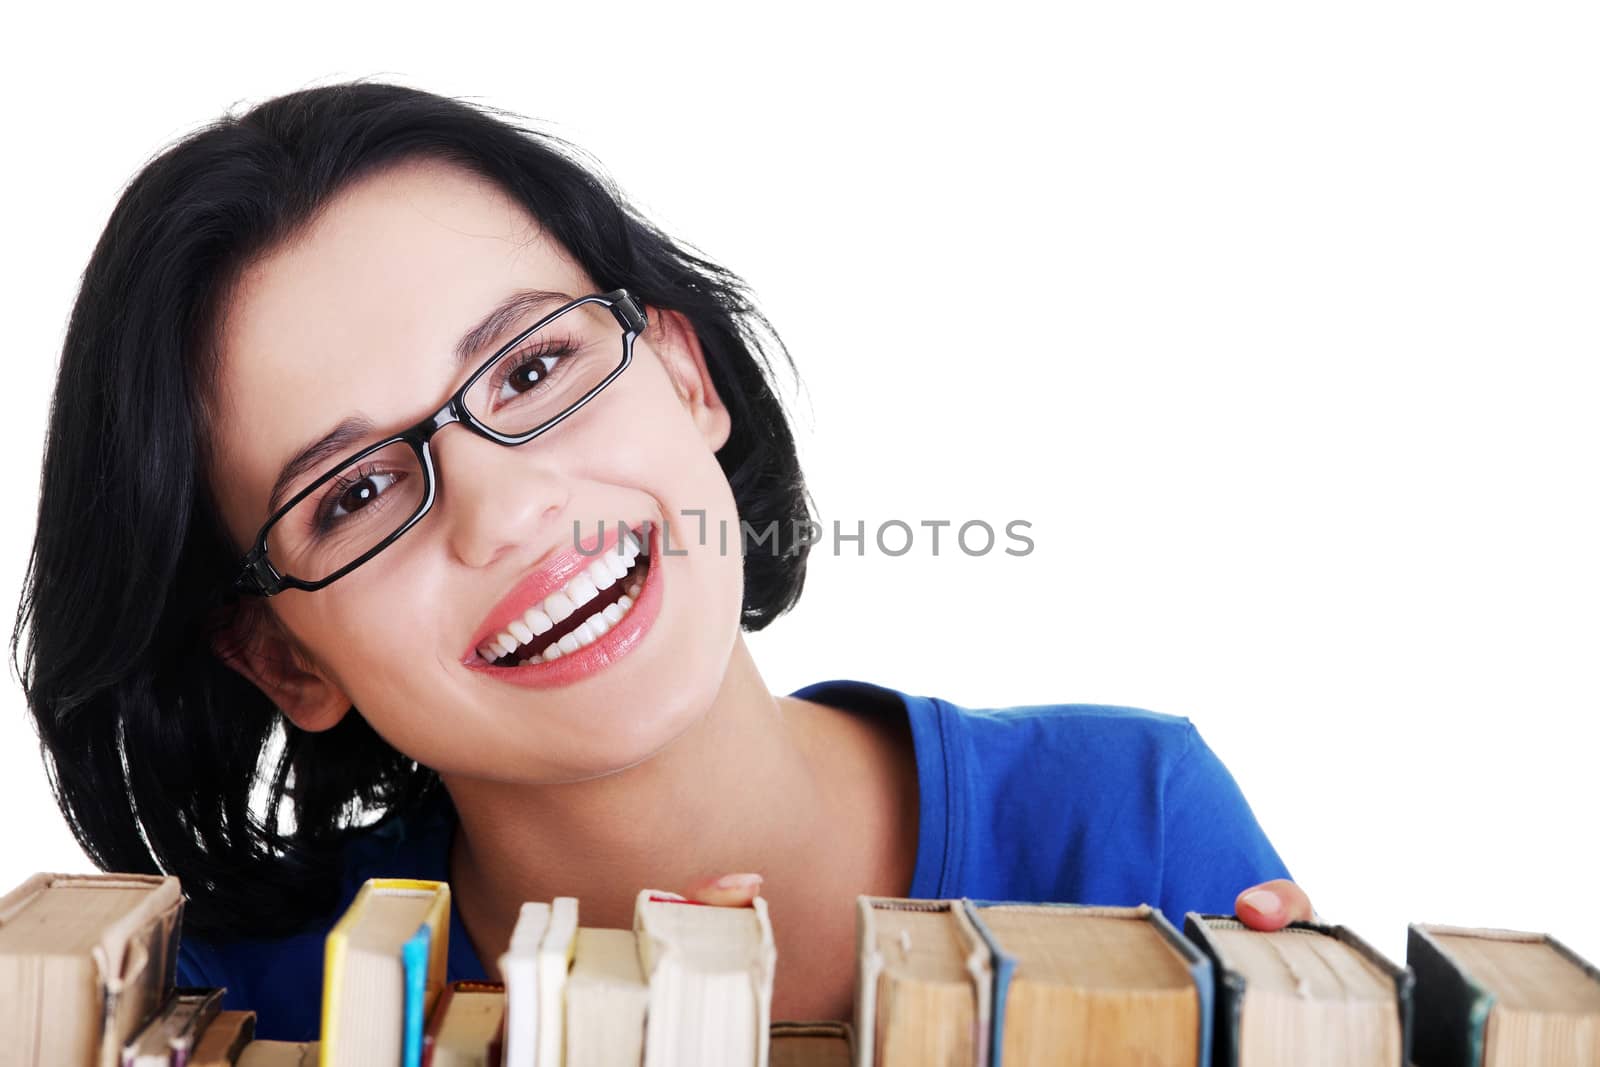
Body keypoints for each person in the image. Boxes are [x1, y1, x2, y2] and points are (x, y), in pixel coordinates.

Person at [12, 82, 1310, 1041]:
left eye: (531, 368)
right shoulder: (238, 1006)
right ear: (287, 657)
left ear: (686, 380)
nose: (507, 510)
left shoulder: (1129, 829)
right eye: (354, 492)